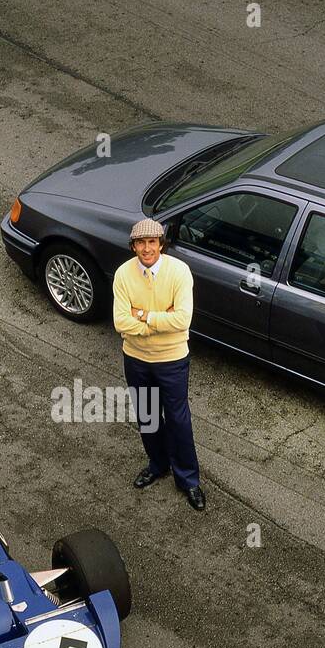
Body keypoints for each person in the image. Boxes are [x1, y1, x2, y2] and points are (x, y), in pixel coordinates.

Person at [112, 218, 205, 511]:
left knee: (178, 420)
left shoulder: (179, 272)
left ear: (161, 245)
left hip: (172, 360)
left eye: (152, 242)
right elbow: (119, 322)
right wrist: (160, 320)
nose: (147, 248)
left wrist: (144, 316)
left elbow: (183, 320)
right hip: (137, 359)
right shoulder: (123, 275)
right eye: (141, 243)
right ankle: (158, 464)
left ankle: (188, 480)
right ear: (133, 246)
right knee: (149, 417)